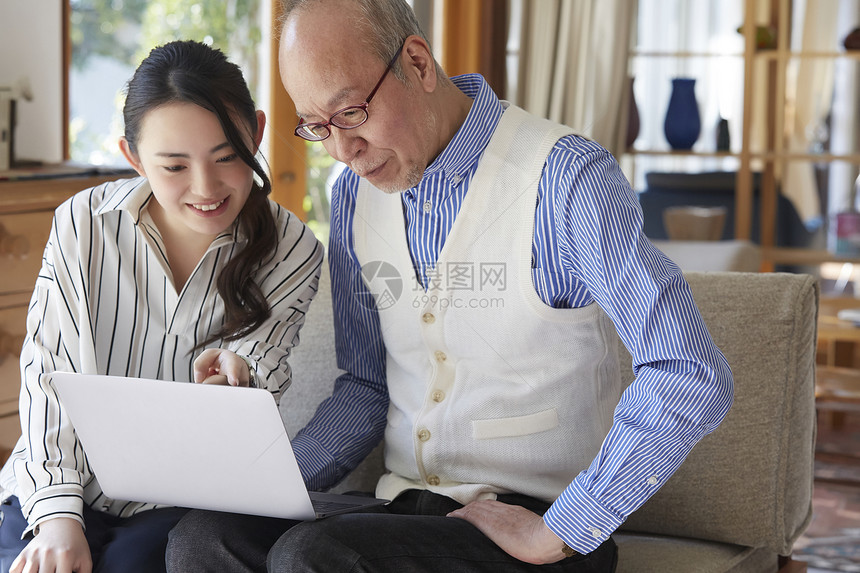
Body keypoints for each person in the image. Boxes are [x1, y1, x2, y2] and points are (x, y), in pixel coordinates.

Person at [165, 1, 734, 571]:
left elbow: (690, 370)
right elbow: (365, 384)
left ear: (416, 62)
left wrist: (567, 526)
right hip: (399, 513)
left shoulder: (565, 179)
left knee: (314, 557)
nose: (341, 151)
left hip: (537, 527)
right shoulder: (351, 196)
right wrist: (267, 487)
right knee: (202, 538)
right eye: (317, 127)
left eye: (352, 113)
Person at [0, 39, 323, 573]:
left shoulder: (293, 250)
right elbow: (46, 375)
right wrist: (59, 517)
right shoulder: (84, 225)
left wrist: (239, 380)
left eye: (227, 157)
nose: (206, 187)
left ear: (257, 133)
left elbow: (262, 369)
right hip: (56, 482)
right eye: (174, 166)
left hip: (181, 504)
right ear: (133, 157)